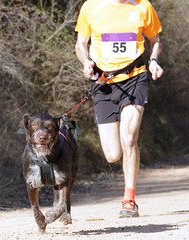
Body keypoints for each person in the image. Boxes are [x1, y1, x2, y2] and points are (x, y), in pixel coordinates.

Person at [74, 0, 164, 218]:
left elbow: (156, 41)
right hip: (103, 83)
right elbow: (80, 44)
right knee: (112, 155)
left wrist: (153, 60)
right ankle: (127, 184)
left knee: (128, 138)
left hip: (135, 78)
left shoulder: (143, 6)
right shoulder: (91, 6)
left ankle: (129, 200)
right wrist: (86, 62)